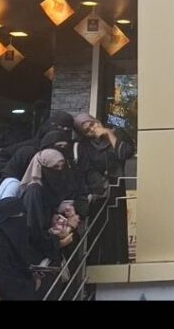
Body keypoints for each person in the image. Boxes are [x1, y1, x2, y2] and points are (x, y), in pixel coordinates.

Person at [73, 113, 134, 264]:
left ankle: (119, 261)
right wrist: (98, 186)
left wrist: (109, 134)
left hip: (117, 188)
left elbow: (125, 153)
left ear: (97, 121)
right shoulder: (85, 146)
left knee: (117, 226)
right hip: (99, 191)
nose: (92, 129)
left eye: (92, 124)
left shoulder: (117, 133)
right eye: (87, 130)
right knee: (101, 229)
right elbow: (87, 169)